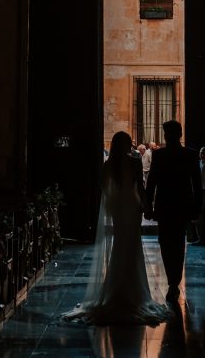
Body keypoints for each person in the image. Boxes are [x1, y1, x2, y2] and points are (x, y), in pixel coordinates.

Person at [63, 131, 170, 325]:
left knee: (120, 245)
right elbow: (140, 187)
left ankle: (116, 287)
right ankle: (134, 290)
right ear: (127, 144)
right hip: (132, 207)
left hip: (119, 209)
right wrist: (147, 207)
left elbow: (105, 189)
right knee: (132, 246)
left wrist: (113, 207)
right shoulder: (135, 162)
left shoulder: (108, 165)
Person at [145, 120, 203, 302]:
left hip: (165, 205)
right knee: (177, 244)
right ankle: (173, 282)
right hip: (182, 205)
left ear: (167, 135)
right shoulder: (190, 155)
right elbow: (197, 185)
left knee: (167, 243)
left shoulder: (160, 155)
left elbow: (151, 183)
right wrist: (197, 208)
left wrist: (148, 206)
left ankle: (173, 281)